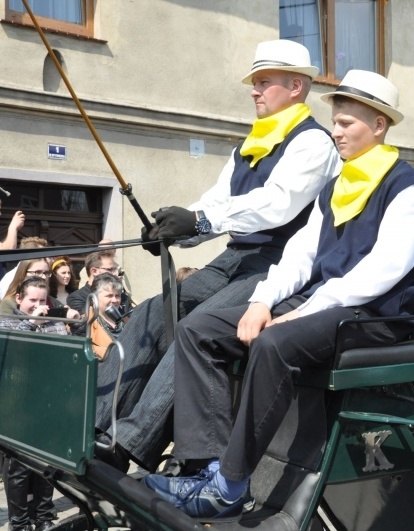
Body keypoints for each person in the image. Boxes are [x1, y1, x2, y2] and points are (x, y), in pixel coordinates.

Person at [144, 69, 414, 524]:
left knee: (273, 342)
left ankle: (231, 487)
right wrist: (263, 300)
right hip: (328, 306)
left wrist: (302, 312)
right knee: (198, 329)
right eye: (335, 121)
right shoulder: (339, 185)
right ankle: (208, 466)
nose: (335, 131)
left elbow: (382, 272)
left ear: (379, 126)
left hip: (374, 318)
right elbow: (300, 254)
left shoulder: (407, 187)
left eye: (346, 123)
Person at [91, 39, 341, 473]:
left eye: (264, 82)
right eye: (254, 82)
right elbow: (215, 201)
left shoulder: (313, 144)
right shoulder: (250, 144)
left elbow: (276, 204)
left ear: (296, 86)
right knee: (153, 312)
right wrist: (174, 230)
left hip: (280, 265)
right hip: (236, 258)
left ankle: (129, 442)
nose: (254, 91)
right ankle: (94, 424)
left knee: (194, 326)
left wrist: (201, 220)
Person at [0, 277, 79, 531]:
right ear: (20, 299)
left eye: (42, 300)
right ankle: (19, 522)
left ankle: (43, 515)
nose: (37, 305)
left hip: (48, 403)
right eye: (31, 300)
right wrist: (31, 324)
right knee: (19, 468)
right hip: (18, 406)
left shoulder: (55, 323)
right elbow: (10, 353)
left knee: (47, 466)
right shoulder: (7, 321)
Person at [66, 250, 120, 315]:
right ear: (94, 271)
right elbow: (86, 321)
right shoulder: (76, 298)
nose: (114, 274)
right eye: (110, 269)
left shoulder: (121, 296)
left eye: (115, 269)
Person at [87, 273, 127, 359]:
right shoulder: (85, 324)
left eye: (117, 296)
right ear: (94, 299)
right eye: (109, 296)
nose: (115, 300)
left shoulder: (127, 321)